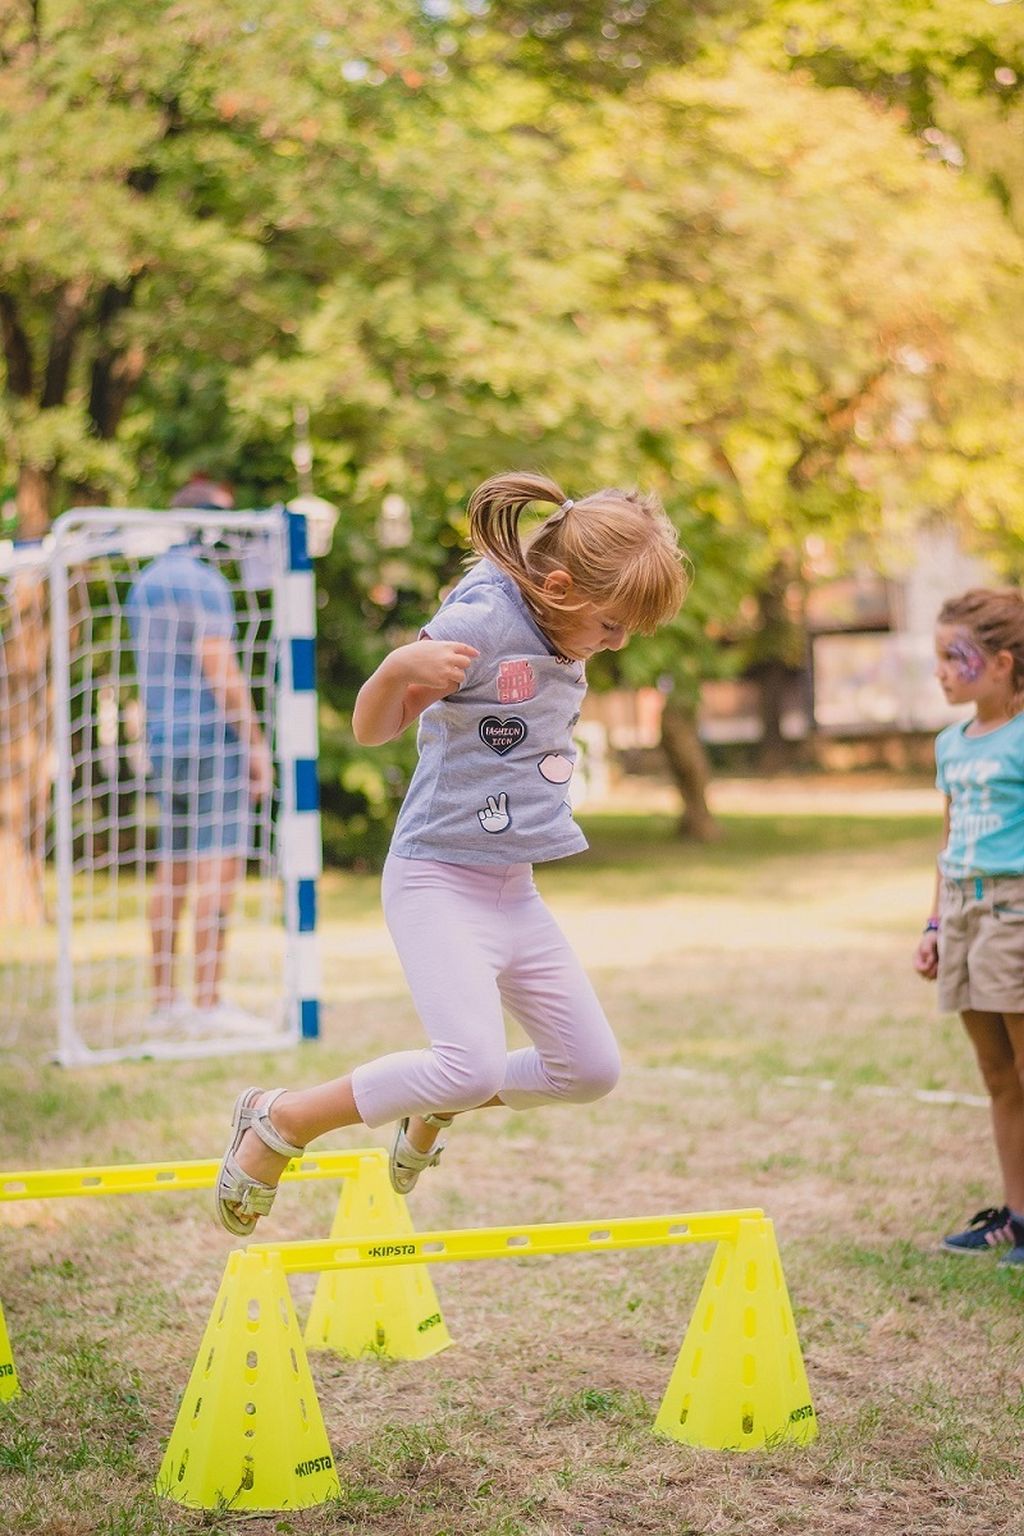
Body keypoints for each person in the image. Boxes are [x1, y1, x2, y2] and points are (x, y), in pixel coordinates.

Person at [214, 469, 688, 1234]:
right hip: (434, 877)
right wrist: (397, 669)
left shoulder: (560, 615)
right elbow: (374, 729)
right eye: (610, 627)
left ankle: (433, 1103)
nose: (616, 644)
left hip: (512, 889)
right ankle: (280, 1119)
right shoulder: (481, 618)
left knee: (588, 1069)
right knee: (466, 1063)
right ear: (560, 588)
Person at [126, 476, 273, 1025]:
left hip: (163, 743)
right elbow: (221, 671)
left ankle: (164, 1002)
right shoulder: (204, 582)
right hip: (213, 742)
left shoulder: (146, 581)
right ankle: (208, 1003)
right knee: (218, 870)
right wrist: (256, 745)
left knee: (173, 870)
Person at [913, 588, 1024, 1268]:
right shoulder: (950, 745)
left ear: (1003, 663)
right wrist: (933, 924)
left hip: (1015, 912)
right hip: (961, 910)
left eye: (955, 658)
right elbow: (949, 839)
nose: (942, 672)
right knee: (997, 1073)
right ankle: (1016, 1216)